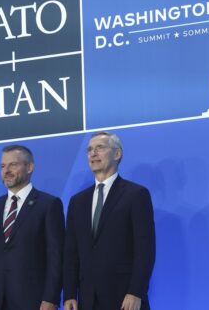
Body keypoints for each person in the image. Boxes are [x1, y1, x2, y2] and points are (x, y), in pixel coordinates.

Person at [63, 132, 156, 310]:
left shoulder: (136, 195)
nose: (93, 153)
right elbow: (71, 253)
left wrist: (136, 291)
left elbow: (145, 249)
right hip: (87, 299)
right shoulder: (77, 201)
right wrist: (69, 294)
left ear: (117, 154)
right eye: (89, 149)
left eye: (100, 148)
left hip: (124, 298)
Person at [0, 145, 65, 310]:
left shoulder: (48, 204)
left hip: (34, 301)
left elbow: (55, 255)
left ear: (29, 167)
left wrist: (51, 297)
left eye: (13, 165)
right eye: (2, 166)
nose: (6, 170)